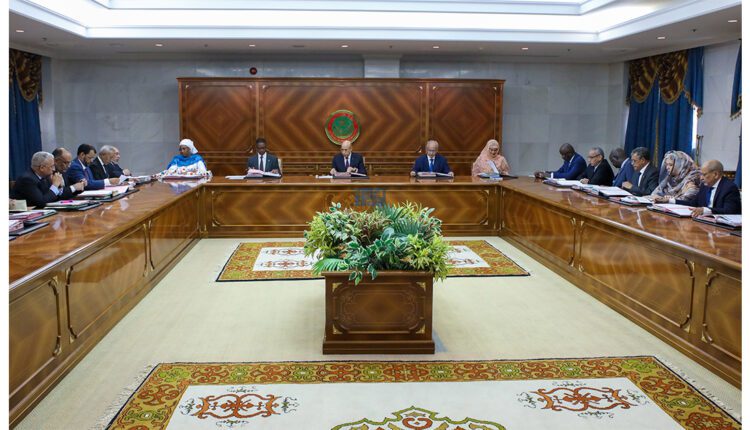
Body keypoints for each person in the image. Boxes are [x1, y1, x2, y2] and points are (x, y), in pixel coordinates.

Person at [674, 160, 741, 216]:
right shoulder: (704, 186)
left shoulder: (729, 188)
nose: (701, 178)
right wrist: (671, 201)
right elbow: (693, 204)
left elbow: (729, 211)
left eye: (704, 174)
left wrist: (706, 210)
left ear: (716, 174)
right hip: (704, 222)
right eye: (701, 174)